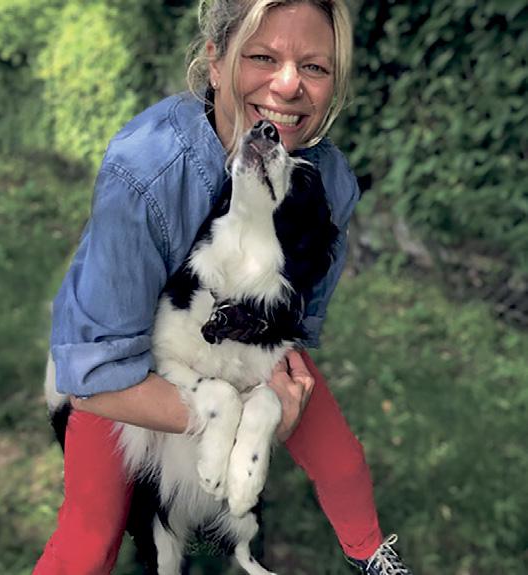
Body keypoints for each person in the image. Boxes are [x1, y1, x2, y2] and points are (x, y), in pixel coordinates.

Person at [34, 1, 414, 574]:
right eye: (262, 57)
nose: (288, 84)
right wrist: (230, 417)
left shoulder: (328, 179)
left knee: (340, 456)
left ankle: (372, 554)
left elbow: (296, 319)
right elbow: (94, 381)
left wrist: (272, 399)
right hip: (123, 360)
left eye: (315, 67)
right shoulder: (145, 169)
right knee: (90, 534)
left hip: (249, 338)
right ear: (216, 62)